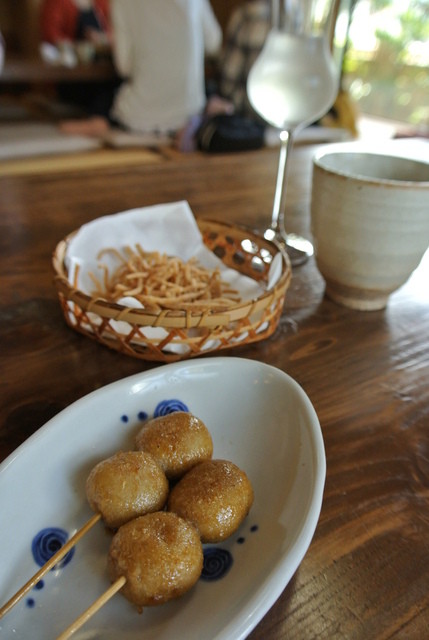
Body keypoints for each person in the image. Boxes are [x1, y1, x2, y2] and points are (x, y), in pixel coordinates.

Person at [60, 0, 223, 140]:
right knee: (206, 88)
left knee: (110, 89)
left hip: (139, 117)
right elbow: (213, 42)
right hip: (189, 112)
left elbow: (124, 67)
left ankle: (100, 118)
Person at [40, 0, 112, 52]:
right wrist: (78, 47)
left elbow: (113, 31)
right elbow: (50, 35)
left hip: (102, 59)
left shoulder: (101, 2)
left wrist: (101, 38)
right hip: (69, 62)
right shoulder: (56, 2)